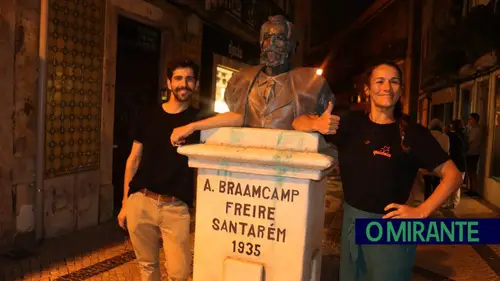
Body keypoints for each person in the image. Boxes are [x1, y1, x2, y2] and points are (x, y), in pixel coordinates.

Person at [302, 60, 461, 281]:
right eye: (380, 81)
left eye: (394, 82)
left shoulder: (414, 134)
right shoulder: (350, 124)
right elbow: (298, 122)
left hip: (391, 227)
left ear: (401, 91)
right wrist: (316, 124)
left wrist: (422, 211)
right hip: (352, 224)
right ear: (367, 89)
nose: (387, 87)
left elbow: (453, 175)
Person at [170, 15, 338, 146]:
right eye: (267, 38)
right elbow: (237, 117)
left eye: (279, 39)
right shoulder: (240, 80)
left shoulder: (312, 83)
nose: (271, 44)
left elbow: (300, 121)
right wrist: (193, 126)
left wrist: (317, 123)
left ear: (292, 47)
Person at [118, 59, 208, 281]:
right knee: (148, 268)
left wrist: (192, 127)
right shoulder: (147, 114)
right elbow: (133, 159)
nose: (183, 84)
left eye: (189, 79)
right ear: (169, 83)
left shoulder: (199, 119)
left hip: (175, 208)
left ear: (196, 85)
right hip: (141, 200)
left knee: (179, 272)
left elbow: (237, 118)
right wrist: (125, 203)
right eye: (178, 78)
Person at [423, 119, 450, 199]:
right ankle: (435, 200)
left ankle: (427, 199)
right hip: (440, 162)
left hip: (428, 162)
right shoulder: (445, 137)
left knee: (427, 183)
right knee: (437, 183)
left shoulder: (426, 135)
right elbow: (447, 150)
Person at [444, 119, 467, 208]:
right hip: (461, 163)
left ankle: (451, 203)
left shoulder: (452, 136)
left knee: (450, 184)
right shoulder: (463, 135)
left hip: (454, 163)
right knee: (456, 185)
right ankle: (454, 203)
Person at [465, 112, 482, 197]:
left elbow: (470, 141)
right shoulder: (472, 129)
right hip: (470, 152)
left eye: (470, 119)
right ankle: (471, 188)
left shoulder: (476, 130)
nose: (469, 121)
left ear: (475, 120)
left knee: (472, 172)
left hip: (473, 153)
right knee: (470, 172)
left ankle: (474, 189)